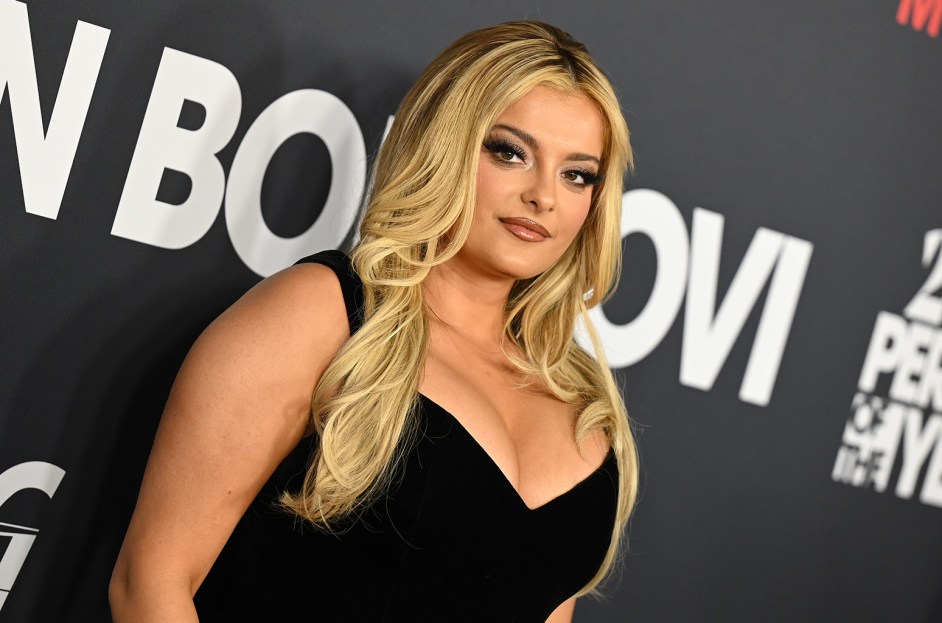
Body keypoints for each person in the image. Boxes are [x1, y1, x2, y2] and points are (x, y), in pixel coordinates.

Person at [110, 20, 639, 623]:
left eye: (578, 174)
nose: (543, 195)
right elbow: (150, 584)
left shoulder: (583, 403)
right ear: (446, 146)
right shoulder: (321, 316)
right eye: (509, 152)